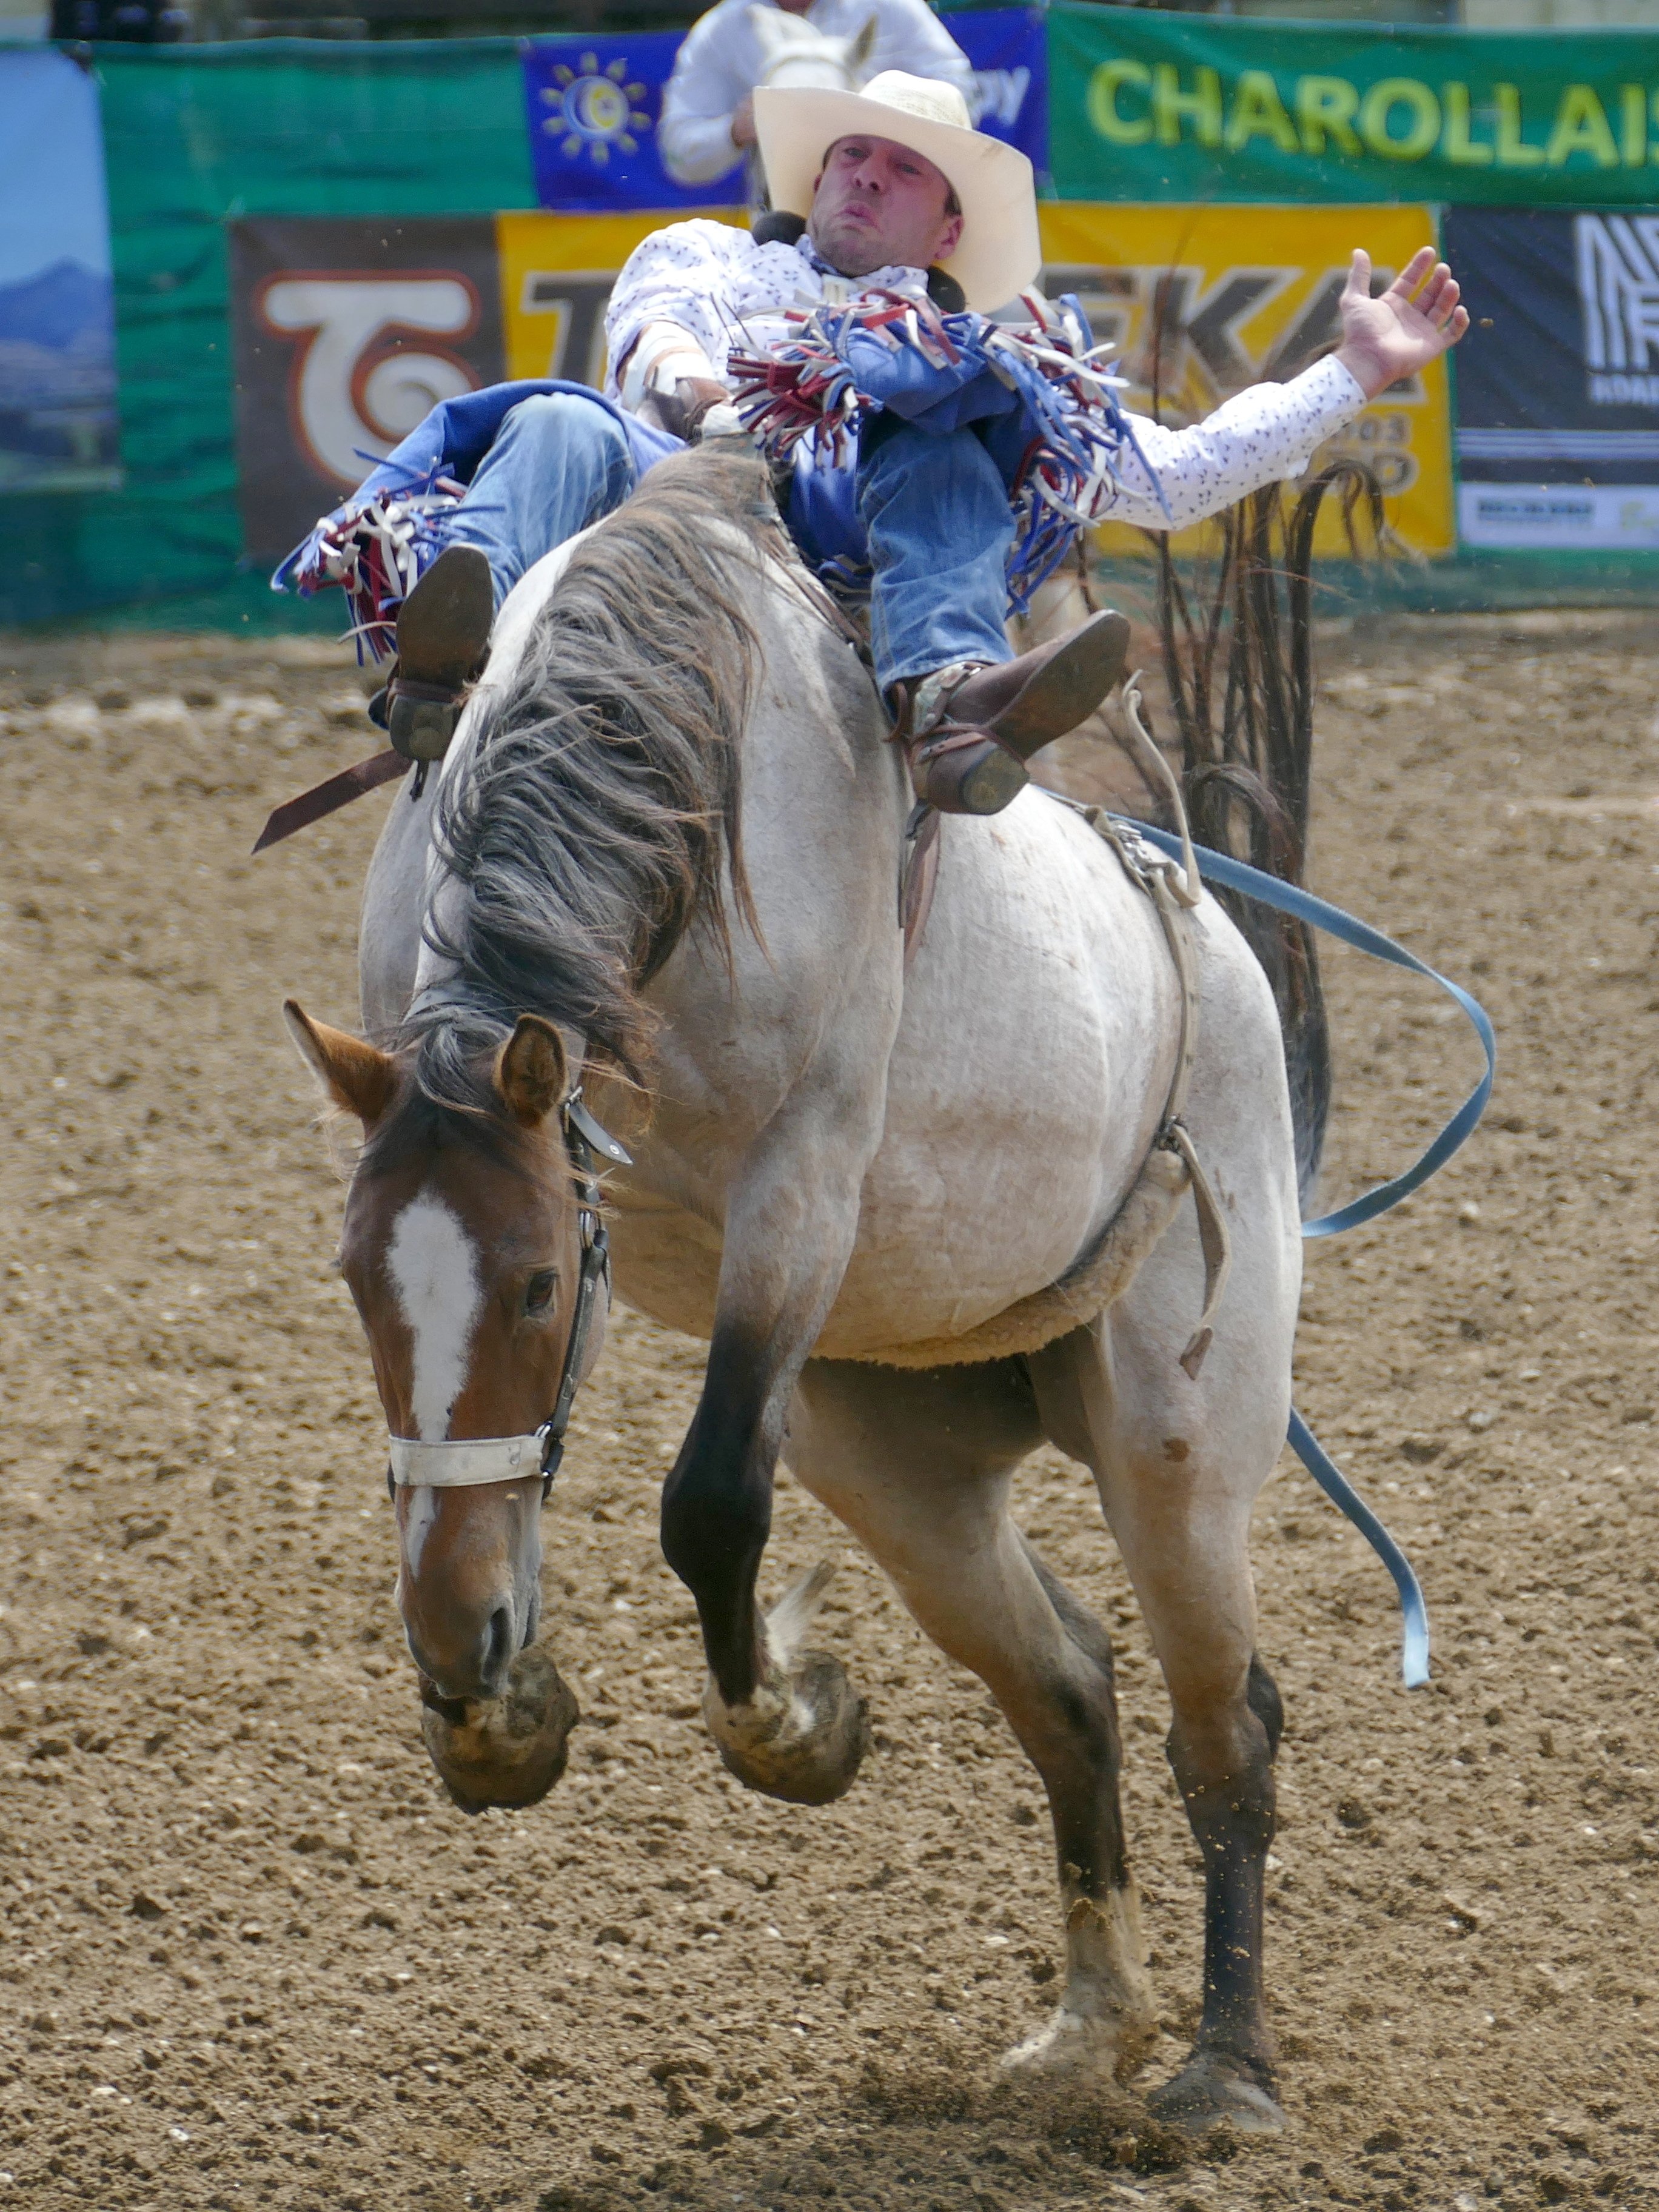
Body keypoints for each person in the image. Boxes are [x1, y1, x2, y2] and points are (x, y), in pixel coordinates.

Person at [280, 73, 1467, 820]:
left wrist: (1350, 371)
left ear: (947, 226)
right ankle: (442, 663)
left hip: (849, 541)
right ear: (820, 171)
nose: (865, 173)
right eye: (854, 153)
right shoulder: (708, 255)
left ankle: (949, 703)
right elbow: (654, 349)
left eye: (903, 168)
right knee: (551, 419)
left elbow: (1173, 479)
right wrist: (732, 413)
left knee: (947, 417)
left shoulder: (976, 357)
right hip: (673, 491)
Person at [657, 0, 976, 194]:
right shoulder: (720, 30)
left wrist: (879, 116)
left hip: (890, 215)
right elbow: (680, 155)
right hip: (777, 227)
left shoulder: (892, 7)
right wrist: (735, 130)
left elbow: (959, 97)